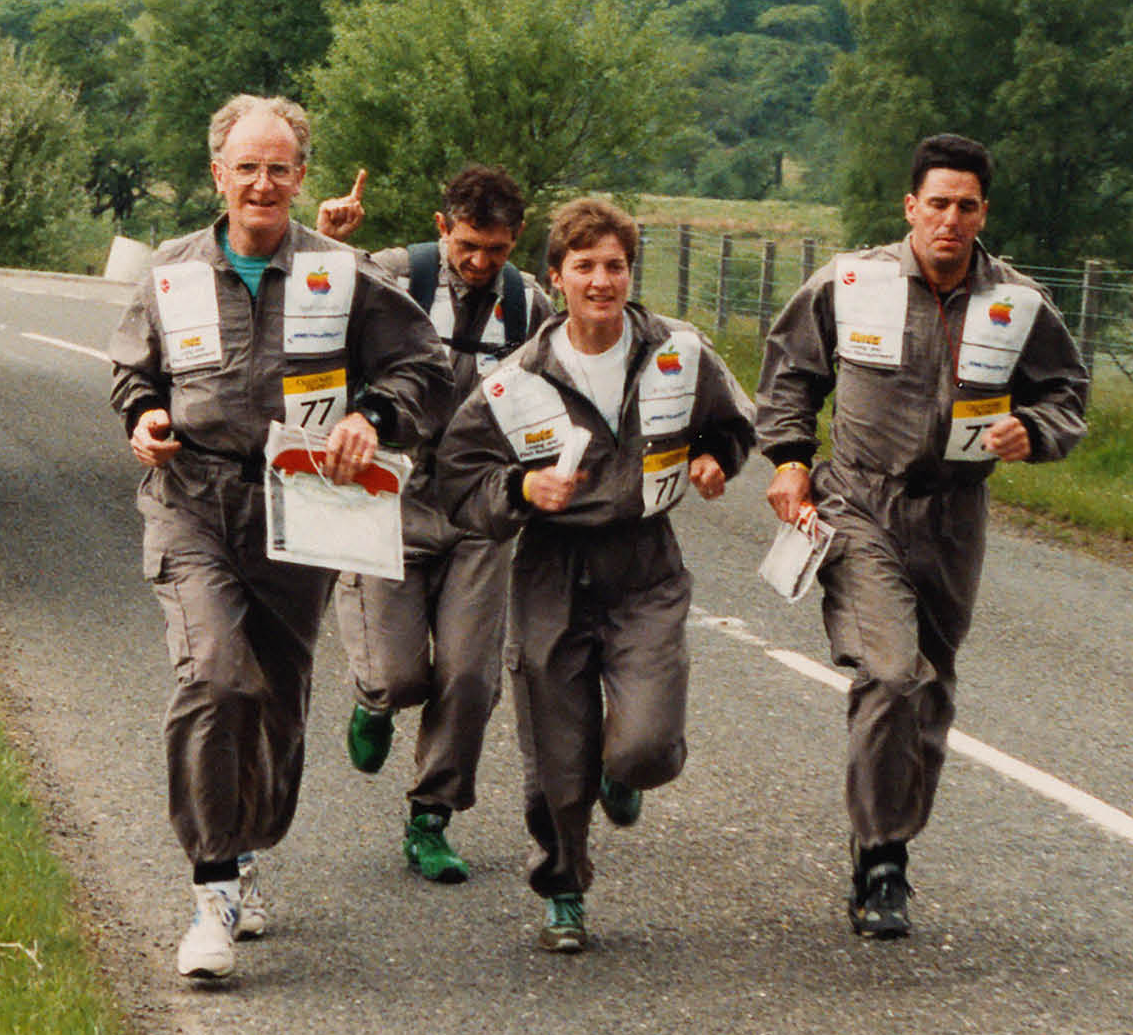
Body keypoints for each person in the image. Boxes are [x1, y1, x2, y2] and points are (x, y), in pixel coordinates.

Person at [109, 94, 452, 980]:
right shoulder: (171, 271)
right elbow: (134, 373)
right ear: (217, 175)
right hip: (193, 498)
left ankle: (247, 844)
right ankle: (212, 888)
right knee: (214, 677)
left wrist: (372, 417)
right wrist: (146, 417)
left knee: (274, 697)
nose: (262, 184)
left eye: (279, 168)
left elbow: (423, 364)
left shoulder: (340, 272)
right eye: (246, 168)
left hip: (303, 503)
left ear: (301, 177)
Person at [755, 133, 1088, 940]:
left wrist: (1033, 430)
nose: (950, 220)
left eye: (966, 206)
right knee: (891, 671)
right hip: (859, 501)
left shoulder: (1018, 303)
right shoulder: (852, 282)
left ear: (984, 214)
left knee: (930, 684)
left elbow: (1065, 395)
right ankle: (881, 860)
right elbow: (792, 373)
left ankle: (888, 836)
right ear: (910, 207)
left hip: (954, 515)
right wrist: (791, 461)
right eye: (937, 203)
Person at [431, 197, 754, 953]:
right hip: (553, 570)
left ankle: (624, 770)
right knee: (555, 749)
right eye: (584, 267)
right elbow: (458, 478)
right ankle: (564, 890)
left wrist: (716, 459)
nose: (601, 281)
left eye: (615, 266)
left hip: (645, 566)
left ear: (631, 273)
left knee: (646, 747)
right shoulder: (517, 379)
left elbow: (735, 422)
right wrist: (521, 489)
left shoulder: (678, 351)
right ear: (556, 277)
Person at [310, 165, 554, 884]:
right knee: (397, 675)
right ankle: (373, 702)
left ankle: (431, 817)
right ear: (443, 226)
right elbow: (312, 306)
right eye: (468, 245)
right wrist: (328, 242)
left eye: (497, 249)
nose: (480, 262)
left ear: (517, 239)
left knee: (470, 677)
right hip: (391, 496)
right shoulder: (395, 274)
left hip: (482, 507)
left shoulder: (530, 304)